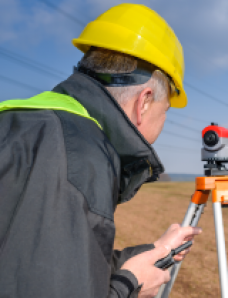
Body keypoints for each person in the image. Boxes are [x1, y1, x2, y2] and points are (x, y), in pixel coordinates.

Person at [0, 4, 201, 298]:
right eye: (166, 109)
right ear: (144, 102)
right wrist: (129, 286)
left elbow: (47, 261)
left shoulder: (25, 123)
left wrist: (154, 252)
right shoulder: (77, 155)